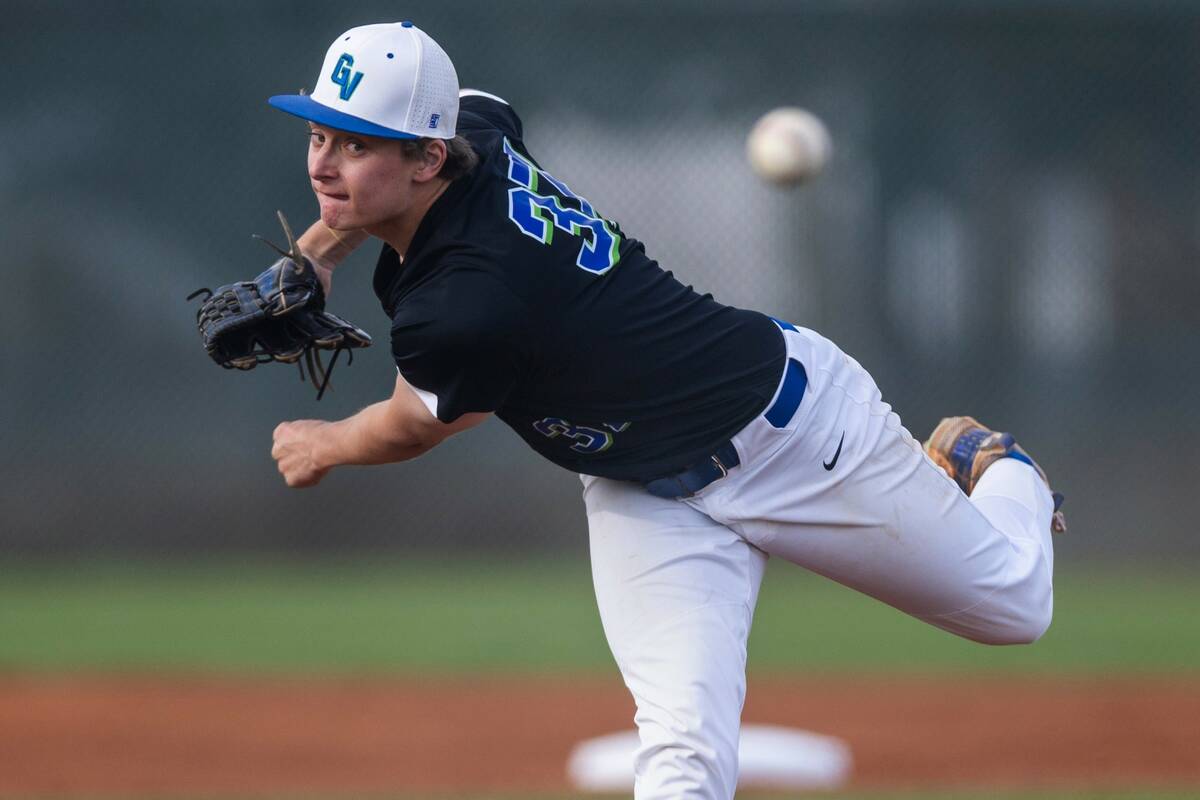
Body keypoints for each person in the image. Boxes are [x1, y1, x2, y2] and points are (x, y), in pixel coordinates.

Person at [266, 21, 1065, 800]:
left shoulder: (465, 302)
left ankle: (989, 461)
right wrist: (314, 257)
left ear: (429, 156)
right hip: (639, 487)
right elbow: (478, 101)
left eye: (356, 143)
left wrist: (323, 444)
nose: (325, 164)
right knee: (682, 751)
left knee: (1014, 606)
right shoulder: (473, 136)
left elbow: (418, 421)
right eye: (320, 136)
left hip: (789, 434)